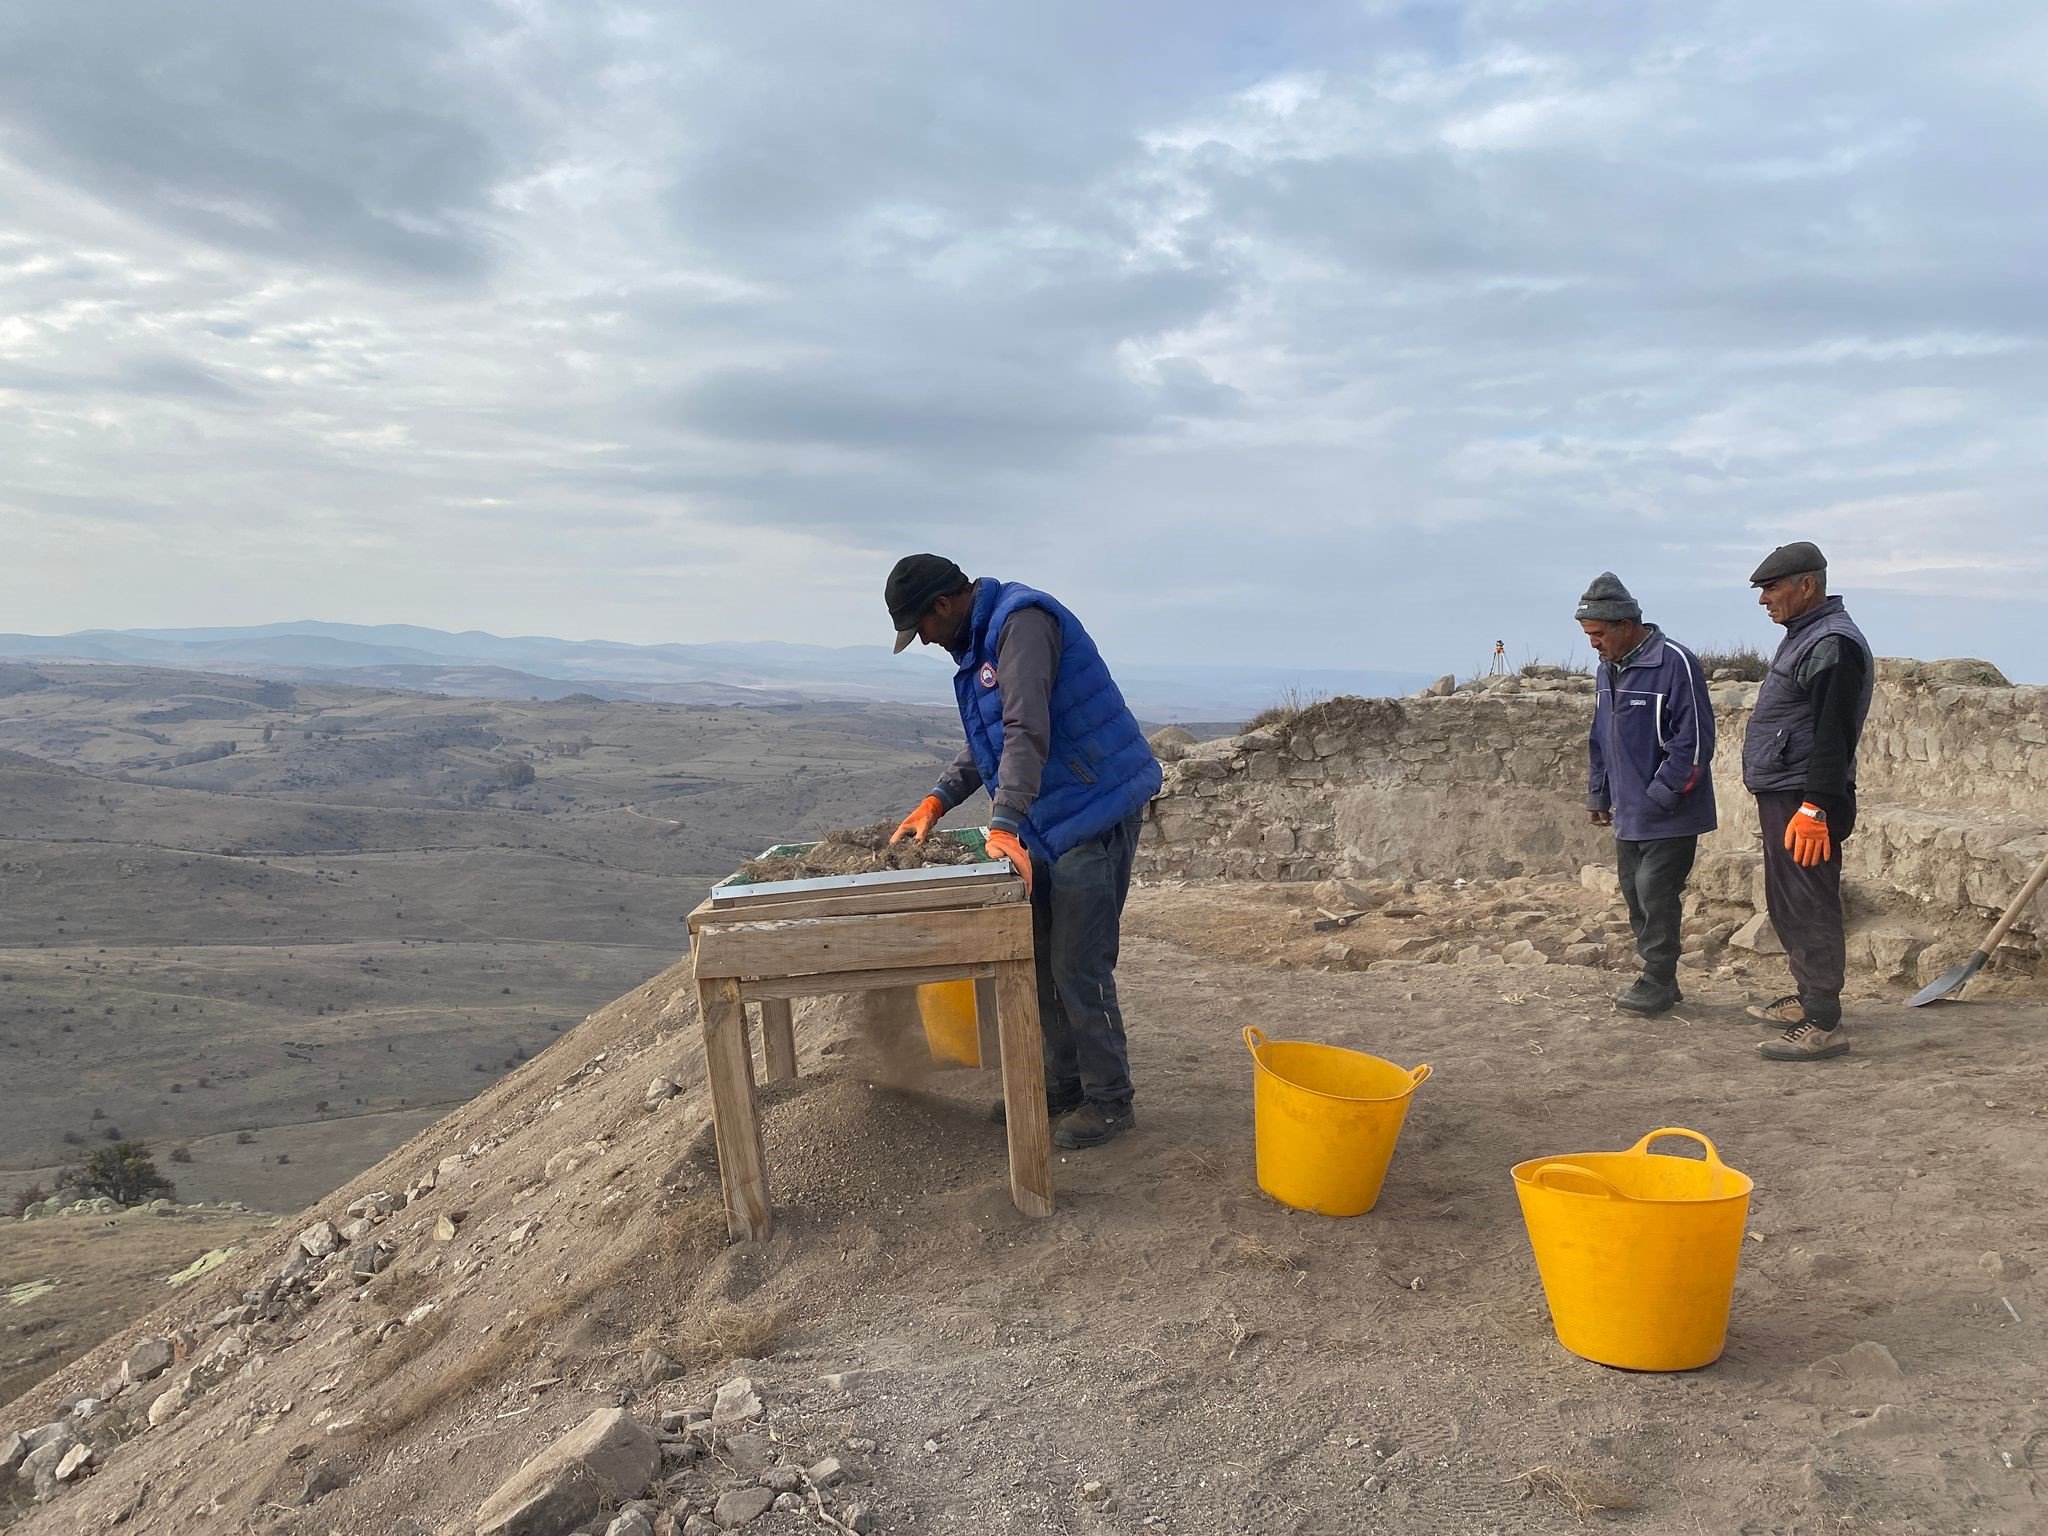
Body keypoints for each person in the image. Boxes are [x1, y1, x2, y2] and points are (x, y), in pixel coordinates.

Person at [883, 554, 1162, 1147]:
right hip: (1047, 817)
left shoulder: (1022, 623)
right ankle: (1060, 1087)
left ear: (942, 605)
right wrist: (938, 800)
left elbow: (1026, 728)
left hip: (1092, 810)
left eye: (922, 629)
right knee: (1036, 959)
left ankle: (1110, 1102)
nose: (927, 642)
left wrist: (1003, 821)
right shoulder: (984, 640)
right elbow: (988, 738)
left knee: (1078, 967)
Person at [1741, 541, 1872, 1061]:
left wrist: (1816, 805)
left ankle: (1823, 1023)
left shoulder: (1831, 643)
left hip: (1805, 796)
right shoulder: (1808, 637)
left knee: (1809, 901)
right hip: (1789, 791)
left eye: (1771, 587)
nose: (1764, 599)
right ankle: (1809, 998)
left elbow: (1832, 733)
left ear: (1807, 585)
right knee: (1789, 899)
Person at [1577, 573, 1717, 1017]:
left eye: (1598, 635)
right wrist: (1600, 793)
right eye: (1589, 636)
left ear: (1624, 624)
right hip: (1629, 812)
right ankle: (1662, 979)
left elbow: (1693, 742)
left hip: (1670, 810)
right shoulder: (1607, 669)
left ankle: (1657, 978)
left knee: (1655, 891)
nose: (1594, 645)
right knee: (1634, 893)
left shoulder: (1675, 662)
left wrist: (1661, 795)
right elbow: (1600, 737)